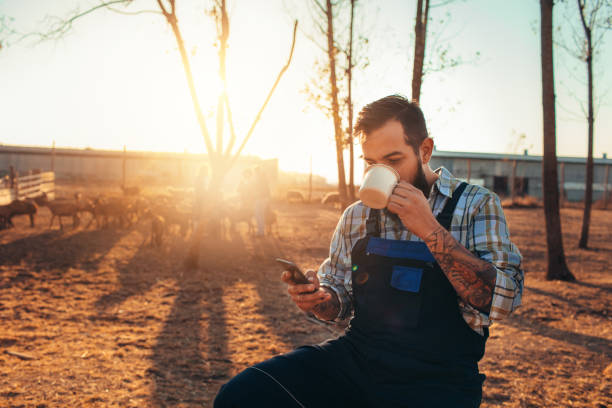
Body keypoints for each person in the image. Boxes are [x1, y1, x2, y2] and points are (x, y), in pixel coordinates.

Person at [214, 95, 524, 407]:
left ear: (425, 150)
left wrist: (430, 229)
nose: (381, 173)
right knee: (242, 395)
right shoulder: (357, 215)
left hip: (440, 378)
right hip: (359, 360)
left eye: (393, 161)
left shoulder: (476, 204)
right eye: (372, 164)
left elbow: (502, 302)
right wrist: (320, 299)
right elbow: (339, 299)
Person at [252, 165, 271, 237]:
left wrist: (256, 193)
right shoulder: (263, 178)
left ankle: (261, 232)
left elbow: (260, 190)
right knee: (260, 215)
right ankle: (261, 231)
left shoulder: (260, 179)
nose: (255, 173)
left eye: (255, 172)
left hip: (261, 198)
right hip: (263, 198)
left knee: (258, 215)